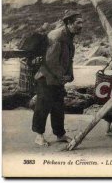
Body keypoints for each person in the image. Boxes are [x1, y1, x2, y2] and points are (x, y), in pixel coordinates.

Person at [32, 10, 83, 146]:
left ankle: (60, 134)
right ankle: (39, 135)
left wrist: (70, 75)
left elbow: (68, 59)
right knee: (43, 107)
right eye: (78, 23)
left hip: (57, 78)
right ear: (69, 23)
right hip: (46, 77)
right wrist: (62, 76)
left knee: (58, 108)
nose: (81, 25)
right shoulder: (58, 36)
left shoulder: (69, 36)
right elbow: (51, 61)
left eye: (82, 22)